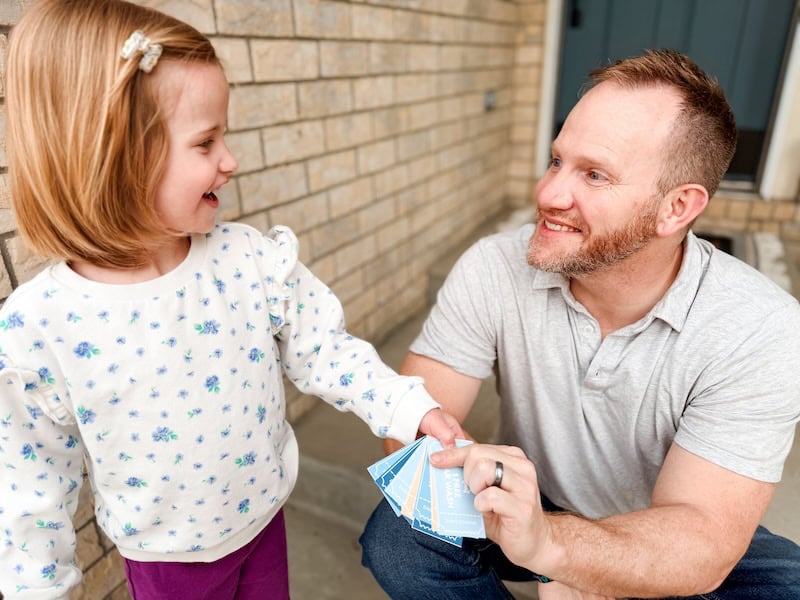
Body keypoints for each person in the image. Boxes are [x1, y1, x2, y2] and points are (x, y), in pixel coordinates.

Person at [0, 1, 464, 598]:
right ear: (114, 157)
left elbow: (324, 348)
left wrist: (406, 408)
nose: (230, 161)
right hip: (167, 563)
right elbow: (30, 491)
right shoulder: (40, 328)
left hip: (265, 521)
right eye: (206, 142)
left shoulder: (248, 261)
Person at [360, 49, 800, 599]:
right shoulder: (494, 267)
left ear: (677, 208)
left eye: (594, 174)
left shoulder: (760, 327)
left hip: (659, 524)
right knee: (399, 535)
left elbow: (703, 535)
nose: (548, 195)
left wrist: (561, 554)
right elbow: (409, 429)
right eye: (556, 161)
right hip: (531, 497)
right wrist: (509, 505)